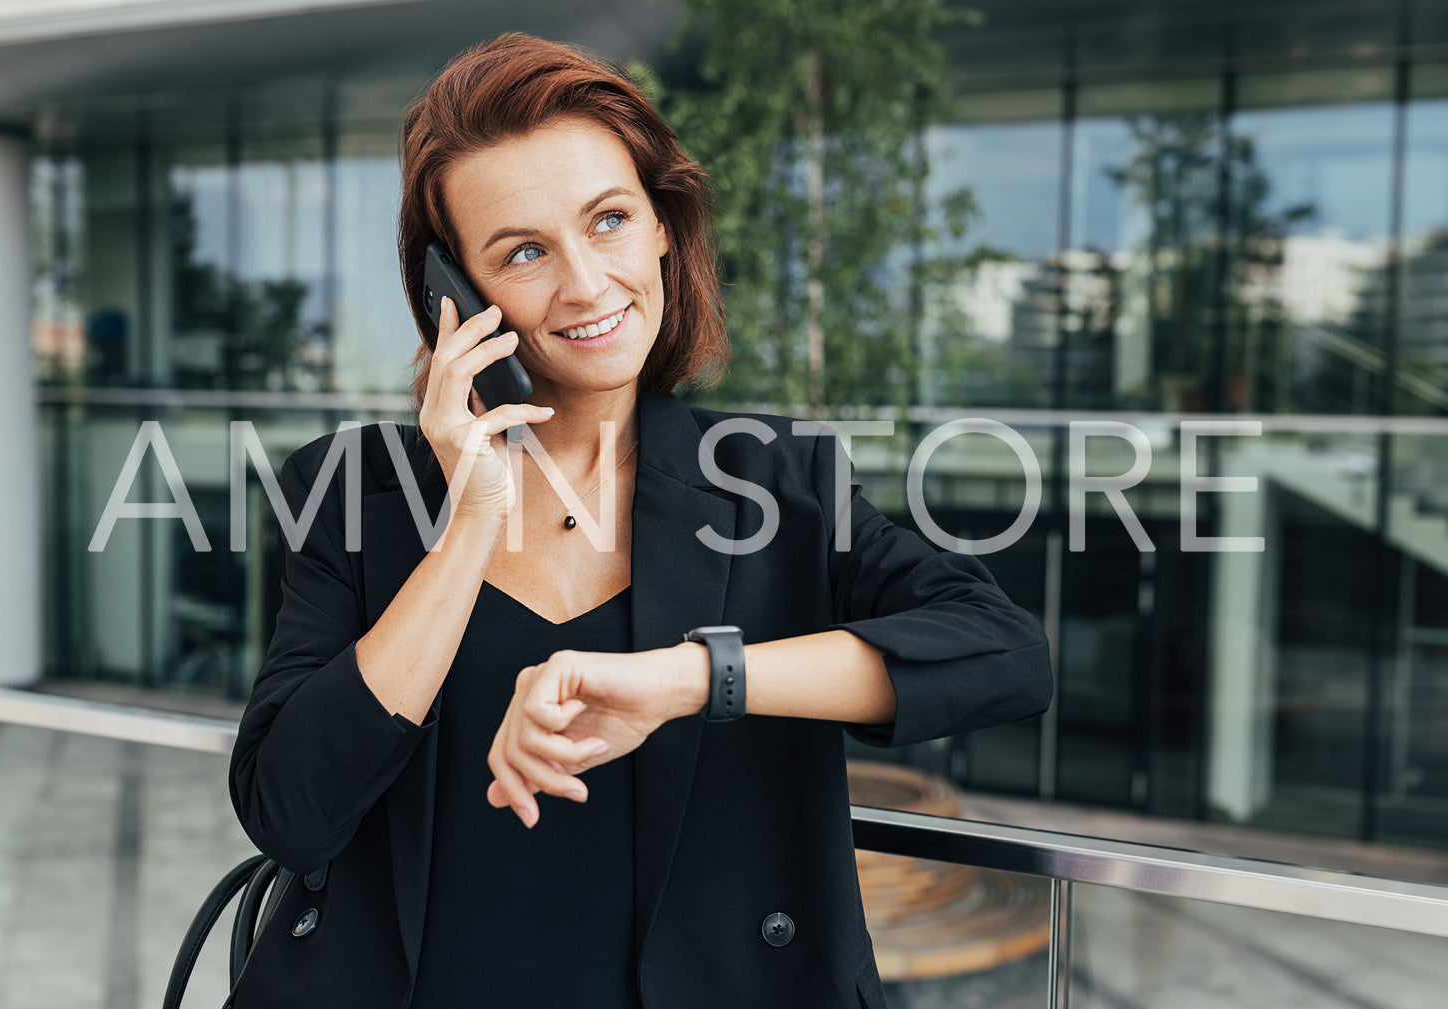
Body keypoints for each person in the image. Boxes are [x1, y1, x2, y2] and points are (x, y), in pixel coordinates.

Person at [228, 32, 1052, 1009]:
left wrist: (688, 677)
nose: (583, 284)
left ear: (663, 224)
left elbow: (1003, 654)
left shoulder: (774, 480)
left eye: (608, 220)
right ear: (455, 295)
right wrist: (470, 518)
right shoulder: (349, 490)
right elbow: (290, 810)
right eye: (523, 251)